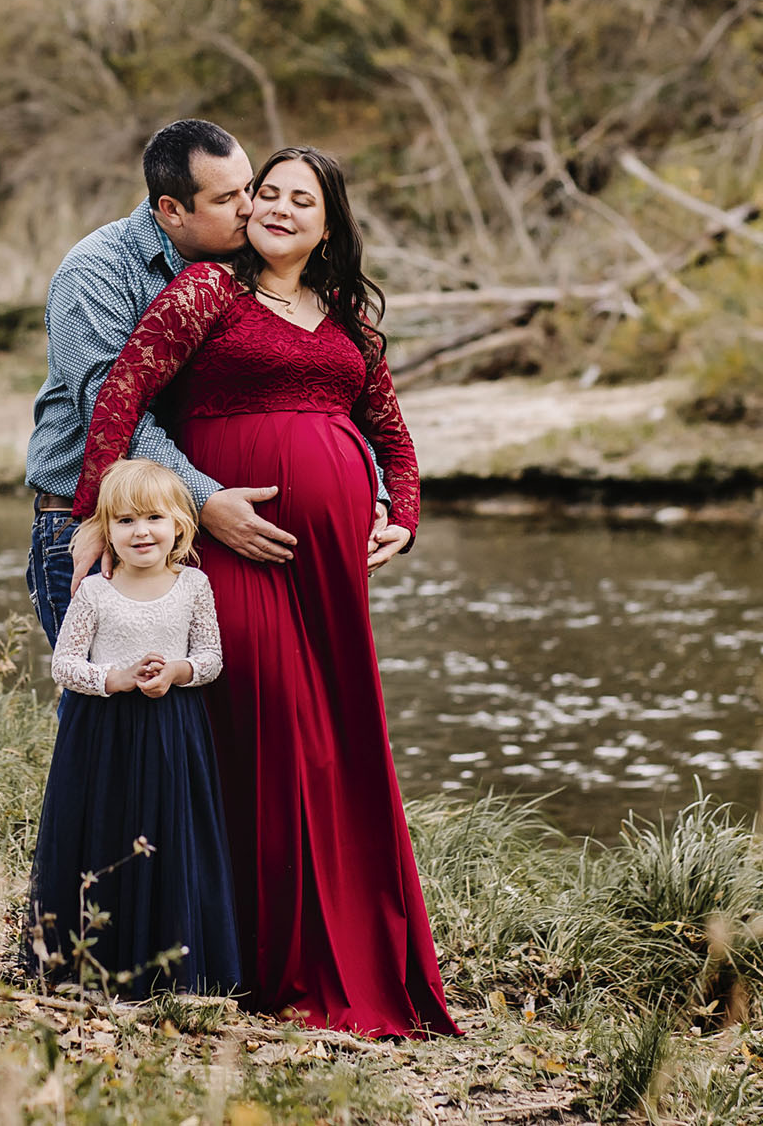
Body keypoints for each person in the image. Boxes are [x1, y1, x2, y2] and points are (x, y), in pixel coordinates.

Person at [72, 146, 460, 1038]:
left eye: (301, 199)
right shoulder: (208, 290)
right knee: (262, 721)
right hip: (231, 547)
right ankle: (250, 951)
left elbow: (392, 435)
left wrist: (401, 513)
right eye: (268, 194)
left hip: (328, 569)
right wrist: (104, 505)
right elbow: (122, 394)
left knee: (334, 740)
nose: (279, 208)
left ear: (330, 224)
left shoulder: (348, 318)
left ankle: (340, 942)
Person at [23, 119, 404, 649]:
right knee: (109, 708)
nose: (251, 208)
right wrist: (206, 500)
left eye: (250, 187)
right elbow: (111, 409)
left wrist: (375, 495)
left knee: (189, 718)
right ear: (172, 210)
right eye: (229, 198)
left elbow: (309, 396)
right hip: (95, 518)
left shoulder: (245, 270)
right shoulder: (98, 271)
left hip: (194, 528)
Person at [27, 458, 240, 995]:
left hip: (172, 729)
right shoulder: (96, 591)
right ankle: (91, 962)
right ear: (106, 531)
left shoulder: (193, 585)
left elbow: (211, 657)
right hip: (102, 733)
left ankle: (167, 966)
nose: (140, 531)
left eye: (153, 519)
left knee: (168, 834)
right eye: (123, 521)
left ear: (180, 528)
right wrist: (114, 677)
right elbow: (65, 665)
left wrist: (178, 670)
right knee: (105, 828)